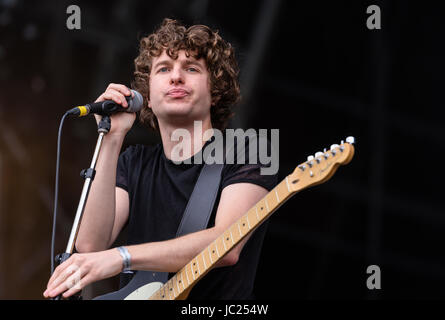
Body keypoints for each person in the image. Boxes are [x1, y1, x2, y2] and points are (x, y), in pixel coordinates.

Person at [44, 18, 278, 300]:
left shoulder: (251, 150)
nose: (176, 77)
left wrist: (122, 257)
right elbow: (91, 244)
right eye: (164, 69)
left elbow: (227, 246)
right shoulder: (134, 162)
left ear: (214, 92)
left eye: (191, 69)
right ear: (149, 97)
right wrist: (112, 137)